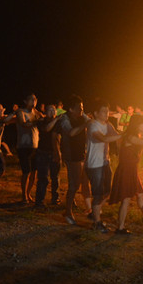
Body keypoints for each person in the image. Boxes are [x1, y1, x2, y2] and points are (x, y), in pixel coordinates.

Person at [109, 114, 143, 234]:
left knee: (140, 194)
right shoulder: (130, 137)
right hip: (126, 170)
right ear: (136, 125)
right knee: (126, 199)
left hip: (131, 169)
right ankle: (120, 228)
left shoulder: (137, 136)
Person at [85, 100, 124, 232]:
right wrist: (123, 135)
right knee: (98, 194)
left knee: (107, 191)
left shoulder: (108, 125)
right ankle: (96, 222)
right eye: (103, 111)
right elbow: (104, 139)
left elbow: (117, 137)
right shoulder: (92, 125)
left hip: (105, 163)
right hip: (94, 164)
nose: (106, 113)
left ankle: (94, 213)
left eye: (107, 111)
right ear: (96, 113)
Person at [58, 95, 93, 225]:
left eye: (82, 108)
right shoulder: (65, 119)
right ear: (71, 109)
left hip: (81, 154)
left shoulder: (81, 116)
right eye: (79, 108)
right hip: (71, 155)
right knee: (74, 184)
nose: (82, 110)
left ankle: (89, 210)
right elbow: (71, 133)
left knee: (85, 182)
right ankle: (68, 212)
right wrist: (86, 124)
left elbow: (90, 122)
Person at [34, 104, 64, 209]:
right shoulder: (41, 121)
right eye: (49, 110)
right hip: (43, 152)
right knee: (43, 178)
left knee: (55, 177)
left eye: (54, 110)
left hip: (55, 152)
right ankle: (39, 201)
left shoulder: (59, 123)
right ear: (45, 112)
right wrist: (56, 120)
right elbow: (46, 129)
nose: (52, 112)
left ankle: (55, 199)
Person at [16, 93, 42, 203]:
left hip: (35, 145)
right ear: (25, 101)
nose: (34, 102)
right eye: (31, 100)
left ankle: (28, 193)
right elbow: (24, 124)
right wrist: (38, 121)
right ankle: (23, 196)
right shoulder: (20, 112)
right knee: (26, 172)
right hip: (23, 146)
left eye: (35, 100)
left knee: (33, 173)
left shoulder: (36, 113)